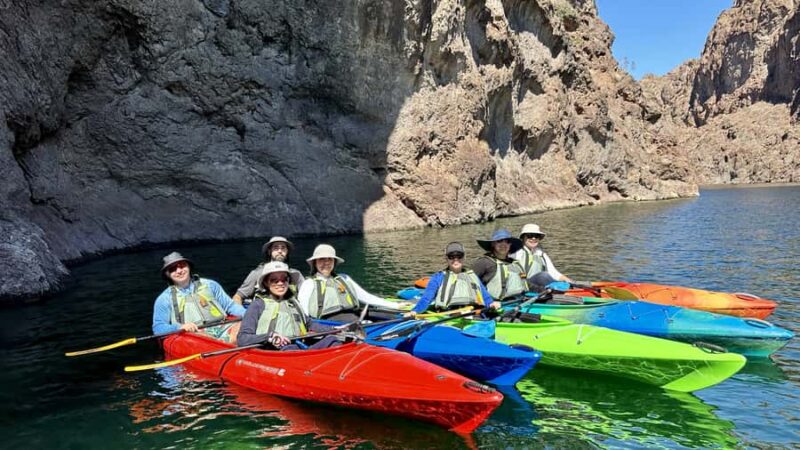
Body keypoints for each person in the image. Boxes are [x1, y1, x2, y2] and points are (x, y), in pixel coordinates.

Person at [236, 261, 341, 350]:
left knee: (333, 340)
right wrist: (269, 337)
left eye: (284, 279)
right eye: (274, 280)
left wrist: (336, 329)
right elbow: (242, 339)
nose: (280, 283)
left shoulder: (293, 302)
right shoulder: (258, 305)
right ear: (266, 283)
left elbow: (309, 324)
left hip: (299, 348)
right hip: (276, 352)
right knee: (292, 349)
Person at [298, 244, 406, 322]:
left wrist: (396, 306)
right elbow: (304, 311)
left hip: (352, 313)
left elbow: (366, 297)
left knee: (390, 316)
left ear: (334, 262)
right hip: (328, 320)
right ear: (315, 263)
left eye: (329, 259)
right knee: (356, 320)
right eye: (321, 259)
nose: (326, 263)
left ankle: (406, 322)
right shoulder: (309, 284)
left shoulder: (344, 278)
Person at [152, 252, 245, 342]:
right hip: (195, 334)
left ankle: (232, 343)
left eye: (182, 266)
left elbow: (230, 306)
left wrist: (249, 315)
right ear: (168, 275)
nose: (179, 271)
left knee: (245, 325)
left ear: (188, 267)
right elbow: (158, 328)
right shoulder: (164, 299)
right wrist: (180, 327)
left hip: (223, 326)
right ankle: (229, 344)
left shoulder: (211, 285)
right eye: (173, 269)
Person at [411, 242, 501, 314]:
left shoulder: (472, 276)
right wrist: (415, 311)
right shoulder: (438, 277)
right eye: (451, 256)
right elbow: (426, 298)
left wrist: (491, 304)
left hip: (473, 313)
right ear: (446, 258)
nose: (455, 259)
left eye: (459, 256)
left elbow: (485, 297)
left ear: (464, 257)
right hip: (448, 315)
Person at [232, 236, 305, 306]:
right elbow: (238, 297)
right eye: (276, 248)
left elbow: (306, 296)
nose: (280, 251)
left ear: (287, 251)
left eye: (283, 248)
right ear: (269, 251)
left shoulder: (296, 274)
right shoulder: (257, 273)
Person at [472, 229, 529, 301]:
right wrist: (487, 301)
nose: (503, 244)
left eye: (507, 241)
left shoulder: (515, 263)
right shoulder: (484, 262)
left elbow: (525, 282)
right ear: (493, 244)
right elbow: (470, 282)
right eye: (499, 241)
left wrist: (544, 288)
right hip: (496, 305)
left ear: (510, 244)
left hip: (519, 300)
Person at [511, 223, 572, 290]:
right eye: (530, 235)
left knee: (546, 276)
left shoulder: (541, 254)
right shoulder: (516, 252)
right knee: (543, 276)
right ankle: (558, 289)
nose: (533, 238)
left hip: (539, 286)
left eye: (536, 236)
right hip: (523, 285)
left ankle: (567, 289)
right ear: (523, 237)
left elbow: (554, 273)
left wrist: (571, 282)